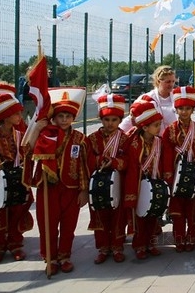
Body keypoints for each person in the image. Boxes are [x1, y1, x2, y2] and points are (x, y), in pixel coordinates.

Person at [30, 88, 88, 275]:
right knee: (47, 224)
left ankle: (64, 256)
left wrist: (83, 190)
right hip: (48, 187)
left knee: (69, 225)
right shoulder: (45, 135)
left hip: (71, 188)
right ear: (54, 117)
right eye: (60, 116)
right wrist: (37, 128)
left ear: (73, 118)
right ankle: (50, 257)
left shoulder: (80, 138)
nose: (64, 120)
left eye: (68, 116)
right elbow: (27, 150)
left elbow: (84, 166)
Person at [85, 94, 130, 264]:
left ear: (120, 120)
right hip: (96, 185)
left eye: (114, 120)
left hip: (118, 184)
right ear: (101, 120)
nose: (110, 123)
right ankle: (103, 247)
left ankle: (117, 246)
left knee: (118, 216)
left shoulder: (125, 139)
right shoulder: (92, 139)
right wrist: (98, 161)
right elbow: (87, 159)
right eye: (106, 120)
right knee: (99, 215)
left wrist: (114, 162)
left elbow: (128, 160)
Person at [162, 86, 195, 253]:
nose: (184, 112)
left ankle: (192, 237)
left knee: (193, 209)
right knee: (177, 211)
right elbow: (166, 152)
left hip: (193, 174)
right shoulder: (170, 130)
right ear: (176, 109)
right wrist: (168, 173)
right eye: (181, 109)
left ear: (193, 109)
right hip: (176, 175)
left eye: (188, 108)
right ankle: (179, 239)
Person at [123, 100, 166, 260]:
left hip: (153, 183)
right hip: (139, 186)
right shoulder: (133, 143)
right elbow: (132, 166)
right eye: (156, 125)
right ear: (145, 127)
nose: (159, 128)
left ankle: (151, 243)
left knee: (153, 215)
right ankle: (139, 245)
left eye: (159, 124)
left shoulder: (158, 142)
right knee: (140, 216)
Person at [120, 65, 195, 135]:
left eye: (173, 81)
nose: (171, 84)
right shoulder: (147, 98)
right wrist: (118, 132)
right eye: (168, 82)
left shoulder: (178, 95)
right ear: (158, 81)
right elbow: (131, 118)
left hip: (174, 140)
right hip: (154, 142)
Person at [0, 92, 33, 263]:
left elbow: (28, 152)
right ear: (4, 117)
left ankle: (15, 244)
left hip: (18, 180)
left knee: (17, 211)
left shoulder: (19, 133)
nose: (20, 116)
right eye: (16, 113)